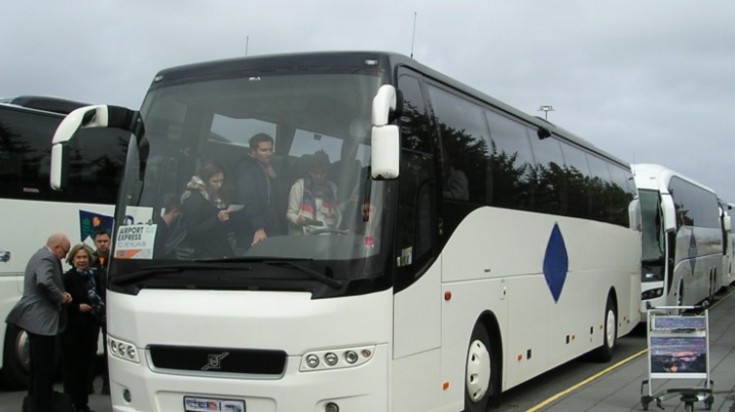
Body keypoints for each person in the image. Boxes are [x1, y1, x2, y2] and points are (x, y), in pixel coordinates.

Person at [5, 233, 73, 412]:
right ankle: (42, 406)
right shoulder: (47, 258)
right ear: (57, 247)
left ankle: (34, 404)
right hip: (42, 322)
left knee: (36, 368)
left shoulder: (38, 255)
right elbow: (44, 281)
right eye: (65, 252)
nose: (65, 257)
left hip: (36, 321)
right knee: (44, 368)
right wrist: (61, 296)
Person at [61, 244, 104, 412]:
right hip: (71, 329)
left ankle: (82, 403)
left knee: (87, 367)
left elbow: (102, 297)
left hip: (90, 327)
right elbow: (62, 303)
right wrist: (77, 308)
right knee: (72, 368)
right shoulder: (68, 278)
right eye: (78, 258)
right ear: (72, 260)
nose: (81, 260)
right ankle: (70, 403)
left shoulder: (95, 275)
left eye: (84, 257)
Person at [233, 133, 287, 247]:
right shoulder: (246, 168)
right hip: (252, 230)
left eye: (270, 150)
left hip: (271, 226)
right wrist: (258, 227)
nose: (268, 154)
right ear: (253, 151)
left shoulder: (266, 167)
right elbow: (248, 198)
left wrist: (274, 177)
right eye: (263, 150)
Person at [181, 161, 234, 258]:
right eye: (215, 181)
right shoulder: (194, 199)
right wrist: (216, 219)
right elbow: (193, 232)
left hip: (220, 250)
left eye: (221, 181)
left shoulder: (218, 196)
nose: (219, 185)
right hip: (202, 253)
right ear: (205, 180)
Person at [286, 150, 342, 234]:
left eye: (323, 173)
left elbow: (337, 211)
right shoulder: (298, 187)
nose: (319, 176)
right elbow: (290, 214)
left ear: (327, 172)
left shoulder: (332, 188)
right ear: (310, 171)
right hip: (305, 234)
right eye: (315, 173)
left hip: (329, 234)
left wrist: (349, 202)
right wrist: (298, 220)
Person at [90, 228, 111, 395]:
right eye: (99, 241)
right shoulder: (89, 260)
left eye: (105, 241)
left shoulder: (115, 260)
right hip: (93, 311)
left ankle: (107, 384)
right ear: (95, 242)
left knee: (108, 350)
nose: (103, 244)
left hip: (109, 312)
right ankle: (87, 384)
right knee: (90, 348)